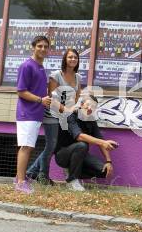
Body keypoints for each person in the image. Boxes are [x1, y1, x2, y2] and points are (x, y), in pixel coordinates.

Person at [26, 48, 82, 185]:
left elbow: (77, 96)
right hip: (51, 114)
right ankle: (43, 176)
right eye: (70, 57)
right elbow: (52, 98)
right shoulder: (56, 75)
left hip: (65, 116)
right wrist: (67, 109)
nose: (73, 59)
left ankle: (32, 172)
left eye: (75, 57)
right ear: (65, 59)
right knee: (51, 145)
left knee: (53, 146)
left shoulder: (78, 77)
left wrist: (76, 106)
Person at [54, 94, 117, 191]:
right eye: (88, 105)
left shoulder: (91, 121)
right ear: (82, 105)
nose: (90, 108)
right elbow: (79, 136)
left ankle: (71, 172)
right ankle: (72, 180)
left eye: (93, 107)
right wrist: (102, 142)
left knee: (103, 171)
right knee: (82, 145)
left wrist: (108, 161)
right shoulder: (71, 116)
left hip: (81, 155)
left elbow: (101, 140)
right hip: (62, 154)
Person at [15, 36, 52, 194]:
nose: (43, 49)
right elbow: (21, 91)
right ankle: (20, 182)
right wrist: (40, 100)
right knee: (26, 147)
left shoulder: (40, 66)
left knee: (29, 147)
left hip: (36, 114)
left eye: (45, 46)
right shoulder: (27, 66)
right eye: (39, 46)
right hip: (27, 114)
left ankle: (20, 177)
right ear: (33, 47)